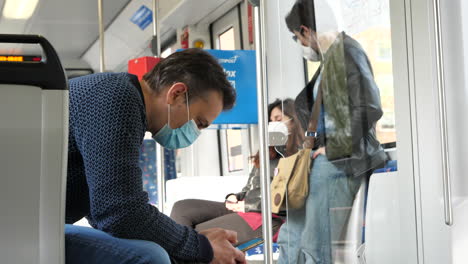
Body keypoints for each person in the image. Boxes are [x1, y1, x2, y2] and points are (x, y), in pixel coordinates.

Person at [65, 48, 246, 264]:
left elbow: (105, 210)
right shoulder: (117, 99)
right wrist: (202, 248)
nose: (194, 133)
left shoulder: (119, 95)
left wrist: (192, 242)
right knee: (152, 257)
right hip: (26, 230)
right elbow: (120, 212)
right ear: (176, 94)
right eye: (199, 122)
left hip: (33, 226)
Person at [277, 1, 387, 263]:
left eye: (297, 37)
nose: (300, 43)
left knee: (316, 246)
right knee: (290, 237)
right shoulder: (331, 58)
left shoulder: (347, 52)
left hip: (340, 163)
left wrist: (333, 147)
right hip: (324, 162)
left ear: (305, 30)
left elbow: (369, 107)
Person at [170, 99, 304, 246]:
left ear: (293, 121)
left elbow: (291, 201)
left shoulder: (300, 156)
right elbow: (250, 188)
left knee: (200, 233)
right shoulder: (269, 152)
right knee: (182, 208)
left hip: (268, 216)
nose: (273, 124)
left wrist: (247, 206)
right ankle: (182, 253)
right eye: (270, 121)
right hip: (246, 206)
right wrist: (236, 197)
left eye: (278, 119)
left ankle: (184, 253)